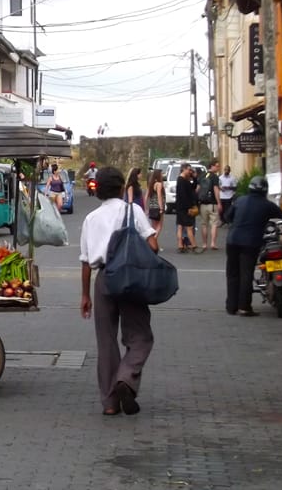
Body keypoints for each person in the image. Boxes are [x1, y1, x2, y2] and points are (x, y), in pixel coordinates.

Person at [79, 166, 159, 416]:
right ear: (123, 188)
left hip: (103, 280)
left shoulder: (90, 219)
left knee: (106, 342)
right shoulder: (132, 210)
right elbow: (153, 245)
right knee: (140, 337)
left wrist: (85, 296)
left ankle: (110, 403)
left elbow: (85, 261)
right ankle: (126, 378)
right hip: (131, 278)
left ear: (98, 190)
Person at [223, 176, 282, 317]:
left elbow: (227, 217)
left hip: (232, 241)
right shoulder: (267, 205)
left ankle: (231, 307)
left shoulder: (240, 200)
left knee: (232, 274)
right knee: (246, 274)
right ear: (265, 190)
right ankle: (244, 307)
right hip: (250, 243)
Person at [197, 161, 222, 251]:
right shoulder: (214, 177)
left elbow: (197, 190)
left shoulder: (202, 176)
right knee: (214, 224)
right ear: (212, 166)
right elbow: (216, 190)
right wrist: (219, 202)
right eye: (217, 166)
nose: (218, 168)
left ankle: (204, 244)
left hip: (203, 204)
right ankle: (213, 243)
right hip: (212, 204)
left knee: (204, 225)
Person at [175, 163, 198, 253]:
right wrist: (188, 207)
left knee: (180, 226)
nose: (190, 171)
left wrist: (194, 178)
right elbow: (183, 195)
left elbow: (193, 187)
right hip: (184, 208)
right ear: (183, 169)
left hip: (180, 207)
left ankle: (181, 245)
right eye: (188, 169)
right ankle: (193, 245)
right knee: (189, 227)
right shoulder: (181, 180)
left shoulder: (185, 180)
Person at [146, 169, 166, 237]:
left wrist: (146, 207)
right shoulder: (159, 184)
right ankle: (153, 241)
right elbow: (159, 196)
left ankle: (152, 243)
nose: (162, 175)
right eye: (161, 174)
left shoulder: (151, 184)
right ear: (158, 175)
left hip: (151, 207)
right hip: (158, 207)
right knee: (159, 226)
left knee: (153, 226)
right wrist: (161, 208)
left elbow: (146, 197)